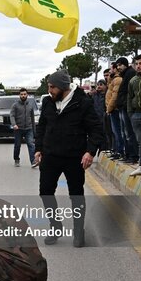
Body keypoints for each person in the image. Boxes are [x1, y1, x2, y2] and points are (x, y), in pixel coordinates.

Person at [34, 70, 103, 247]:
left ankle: (78, 231)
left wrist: (90, 152)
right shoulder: (48, 102)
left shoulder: (83, 102)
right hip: (50, 156)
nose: (49, 90)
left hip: (74, 157)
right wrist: (39, 148)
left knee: (76, 195)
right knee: (46, 192)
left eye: (52, 87)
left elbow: (96, 130)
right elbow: (42, 126)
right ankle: (55, 227)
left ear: (63, 86)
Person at [115, 58, 139, 163]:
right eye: (117, 66)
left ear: (125, 64)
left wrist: (125, 104)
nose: (118, 67)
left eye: (120, 65)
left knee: (129, 133)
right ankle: (128, 155)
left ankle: (133, 156)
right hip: (122, 107)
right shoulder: (125, 75)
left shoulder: (130, 73)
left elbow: (129, 93)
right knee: (124, 133)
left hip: (126, 108)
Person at [10, 88, 36, 168]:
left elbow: (32, 118)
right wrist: (14, 124)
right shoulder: (15, 105)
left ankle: (33, 161)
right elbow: (12, 115)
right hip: (18, 129)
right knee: (17, 145)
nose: (23, 96)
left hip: (29, 128)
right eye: (21, 94)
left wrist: (34, 130)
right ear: (19, 95)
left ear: (27, 95)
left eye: (24, 94)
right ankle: (16, 159)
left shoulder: (30, 105)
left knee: (31, 144)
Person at [106, 64, 125, 159]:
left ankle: (120, 151)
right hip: (112, 110)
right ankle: (117, 150)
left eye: (111, 69)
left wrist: (109, 108)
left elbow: (114, 96)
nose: (109, 71)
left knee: (118, 132)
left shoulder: (117, 80)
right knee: (114, 132)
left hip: (114, 109)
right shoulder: (113, 80)